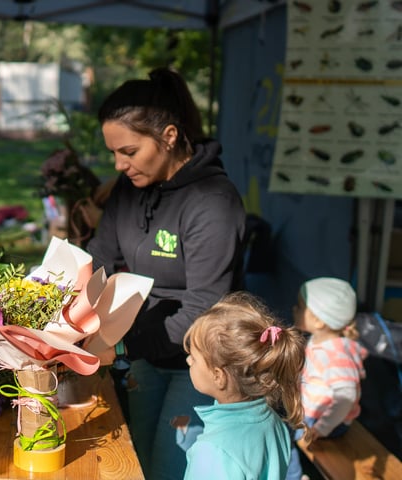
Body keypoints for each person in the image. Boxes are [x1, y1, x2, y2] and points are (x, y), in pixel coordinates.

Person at [86, 67, 246, 479]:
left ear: (169, 136)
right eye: (114, 153)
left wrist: (121, 349)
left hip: (201, 366)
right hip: (144, 350)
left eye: (129, 151)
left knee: (169, 468)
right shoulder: (131, 189)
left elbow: (203, 305)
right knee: (134, 454)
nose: (119, 165)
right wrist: (58, 309)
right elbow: (99, 257)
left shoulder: (213, 202)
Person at [183, 292, 306, 480]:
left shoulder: (213, 451)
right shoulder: (273, 420)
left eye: (194, 358)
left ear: (218, 376)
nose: (188, 360)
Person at [286, 277, 368, 480]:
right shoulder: (321, 340)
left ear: (319, 320)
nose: (294, 309)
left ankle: (293, 476)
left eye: (300, 306)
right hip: (316, 413)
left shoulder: (335, 355)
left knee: (282, 436)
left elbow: (346, 397)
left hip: (325, 421)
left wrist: (321, 429)